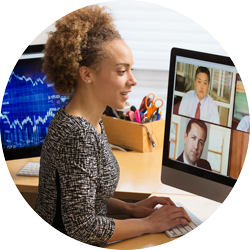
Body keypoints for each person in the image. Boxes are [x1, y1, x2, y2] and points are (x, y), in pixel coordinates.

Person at [35, 5, 191, 247]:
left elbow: (83, 198)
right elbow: (83, 227)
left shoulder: (90, 120)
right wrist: (151, 224)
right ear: (87, 75)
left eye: (131, 69)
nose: (133, 80)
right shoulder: (78, 135)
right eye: (122, 71)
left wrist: (131, 208)